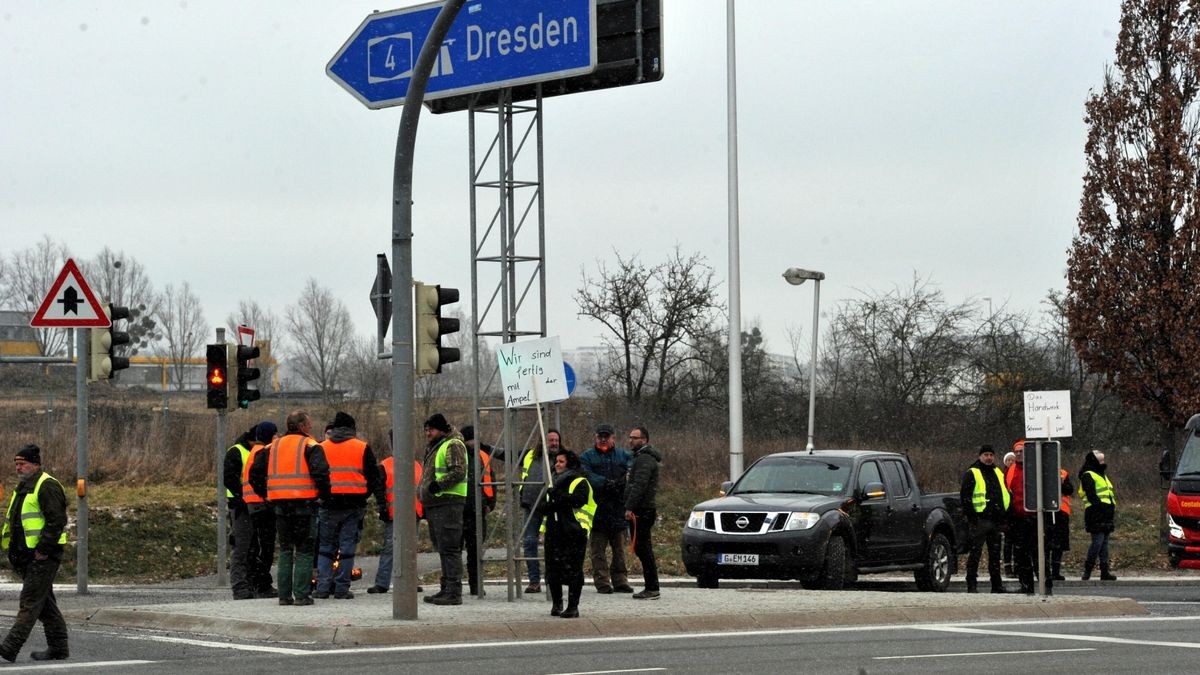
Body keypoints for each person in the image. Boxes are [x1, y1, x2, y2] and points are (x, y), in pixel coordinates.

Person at [250, 410, 331, 606]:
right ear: (302, 426)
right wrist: (323, 497)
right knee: (304, 550)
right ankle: (302, 595)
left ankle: (284, 595)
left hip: (280, 506)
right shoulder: (311, 445)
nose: (311, 428)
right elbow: (321, 474)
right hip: (304, 505)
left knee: (285, 550)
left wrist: (267, 495)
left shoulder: (271, 447)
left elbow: (254, 475)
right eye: (309, 424)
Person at [0, 444, 69, 662]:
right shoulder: (23, 487)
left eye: (23, 464)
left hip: (43, 557)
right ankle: (58, 648)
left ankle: (9, 648)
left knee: (29, 602)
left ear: (35, 464)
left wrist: (43, 549)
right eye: (17, 465)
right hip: (27, 558)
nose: (18, 468)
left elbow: (56, 520)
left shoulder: (46, 485)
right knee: (45, 605)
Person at [315, 412, 386, 600]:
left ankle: (322, 587)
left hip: (328, 505)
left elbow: (316, 476)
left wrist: (323, 496)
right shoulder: (362, 447)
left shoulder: (321, 447)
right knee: (347, 548)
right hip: (353, 505)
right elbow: (374, 478)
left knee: (325, 548)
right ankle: (341, 588)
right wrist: (363, 494)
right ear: (352, 429)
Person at [536, 449, 595, 618]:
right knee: (553, 570)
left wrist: (558, 496)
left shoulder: (580, 481)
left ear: (569, 463)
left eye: (561, 461)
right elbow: (543, 507)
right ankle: (557, 603)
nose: (557, 464)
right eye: (556, 462)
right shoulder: (552, 483)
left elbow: (578, 500)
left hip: (573, 532)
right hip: (554, 532)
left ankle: (573, 606)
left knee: (574, 570)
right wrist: (551, 502)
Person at [419, 413, 468, 606]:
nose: (427, 433)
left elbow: (458, 471)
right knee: (444, 549)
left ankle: (453, 591)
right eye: (426, 430)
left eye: (430, 429)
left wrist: (437, 486)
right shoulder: (438, 445)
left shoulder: (453, 444)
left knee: (449, 549)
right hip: (438, 504)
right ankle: (447, 588)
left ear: (440, 429)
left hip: (448, 502)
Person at [581, 423, 633, 594]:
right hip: (597, 509)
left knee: (619, 549)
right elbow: (586, 474)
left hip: (618, 508)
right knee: (597, 551)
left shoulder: (624, 455)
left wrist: (621, 484)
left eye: (606, 436)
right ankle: (602, 582)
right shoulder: (587, 456)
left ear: (613, 438)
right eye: (600, 436)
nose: (603, 439)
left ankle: (620, 580)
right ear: (595, 437)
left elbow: (631, 472)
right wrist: (604, 483)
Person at [368, 446, 425, 595]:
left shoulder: (387, 465)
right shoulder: (415, 465)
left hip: (407, 513)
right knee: (397, 548)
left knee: (399, 548)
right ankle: (389, 583)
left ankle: (385, 583)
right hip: (403, 513)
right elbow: (380, 490)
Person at [958, 444, 1009, 594]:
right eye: (986, 455)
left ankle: (997, 585)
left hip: (995, 521)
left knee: (995, 555)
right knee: (975, 554)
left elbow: (1004, 493)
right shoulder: (972, 472)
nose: (989, 458)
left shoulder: (998, 472)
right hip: (979, 521)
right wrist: (972, 518)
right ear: (980, 456)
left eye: (991, 455)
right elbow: (965, 497)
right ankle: (972, 584)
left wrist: (1004, 515)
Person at [515, 429, 560, 594]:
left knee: (554, 544)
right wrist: (484, 447)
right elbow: (505, 454)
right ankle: (534, 580)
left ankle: (554, 579)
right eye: (550, 440)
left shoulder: (563, 458)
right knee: (529, 542)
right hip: (531, 505)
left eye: (556, 440)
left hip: (552, 506)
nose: (554, 443)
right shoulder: (529, 455)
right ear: (542, 441)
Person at [1005, 439, 1053, 595]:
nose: (1019, 454)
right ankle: (1026, 586)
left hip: (1035, 518)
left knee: (1039, 554)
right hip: (1018, 519)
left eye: (1022, 451)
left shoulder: (1035, 468)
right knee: (1021, 555)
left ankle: (1046, 586)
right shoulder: (1010, 470)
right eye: (1017, 451)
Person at [623, 426, 662, 600]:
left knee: (643, 549)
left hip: (642, 511)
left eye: (635, 438)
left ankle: (652, 588)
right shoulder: (640, 458)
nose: (631, 440)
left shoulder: (645, 459)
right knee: (642, 548)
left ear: (644, 440)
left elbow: (639, 485)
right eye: (630, 437)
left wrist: (629, 507)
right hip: (642, 509)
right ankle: (652, 586)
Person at [241, 422, 278, 598]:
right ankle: (263, 584)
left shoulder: (254, 451)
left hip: (252, 504)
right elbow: (259, 478)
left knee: (256, 547)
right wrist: (267, 495)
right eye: (275, 434)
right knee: (266, 547)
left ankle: (256, 581)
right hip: (262, 505)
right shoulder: (264, 452)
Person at [460, 426, 497, 597]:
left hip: (478, 509)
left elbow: (490, 479)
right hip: (462, 509)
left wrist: (491, 501)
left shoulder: (482, 455)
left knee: (475, 551)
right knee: (457, 550)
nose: (475, 442)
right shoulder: (461, 455)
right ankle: (457, 584)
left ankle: (475, 584)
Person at [224, 426, 259, 599]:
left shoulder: (253, 451)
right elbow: (229, 479)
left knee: (252, 547)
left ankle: (250, 584)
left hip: (253, 505)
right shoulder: (236, 452)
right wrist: (242, 497)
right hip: (240, 507)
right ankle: (239, 586)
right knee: (241, 547)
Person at [1079, 450, 1117, 581]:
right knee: (1098, 542)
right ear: (1094, 461)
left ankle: (1104, 572)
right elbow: (1091, 495)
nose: (1103, 463)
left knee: (1104, 544)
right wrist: (1101, 508)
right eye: (1101, 461)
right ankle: (1088, 570)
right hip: (1095, 513)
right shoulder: (1088, 475)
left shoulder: (1101, 475)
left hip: (1106, 513)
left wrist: (1110, 508)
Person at [1049, 466, 1074, 582]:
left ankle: (1056, 571)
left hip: (1062, 512)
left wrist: (1060, 484)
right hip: (1047, 512)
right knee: (1047, 543)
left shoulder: (1063, 473)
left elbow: (1069, 489)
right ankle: (1045, 571)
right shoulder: (1041, 470)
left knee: (1059, 544)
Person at [1001, 451, 1016, 578]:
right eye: (1008, 460)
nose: (1011, 462)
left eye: (1013, 460)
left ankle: (1017, 566)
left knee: (1018, 541)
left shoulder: (1019, 473)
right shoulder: (1002, 475)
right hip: (1007, 512)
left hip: (1017, 511)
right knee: (1008, 541)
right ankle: (1007, 567)